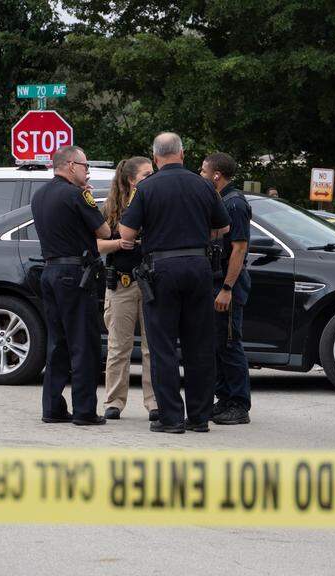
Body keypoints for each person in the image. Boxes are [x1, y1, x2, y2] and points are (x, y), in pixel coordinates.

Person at [120, 132, 230, 434]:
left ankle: (171, 418)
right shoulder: (204, 185)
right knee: (199, 345)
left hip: (161, 270)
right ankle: (198, 417)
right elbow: (224, 226)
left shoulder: (146, 188)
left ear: (155, 158)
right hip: (198, 267)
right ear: (182, 153)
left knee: (163, 346)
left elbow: (127, 234)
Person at [31, 145, 112, 426]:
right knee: (84, 344)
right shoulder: (78, 195)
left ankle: (52, 407)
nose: (86, 171)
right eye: (84, 166)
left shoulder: (39, 195)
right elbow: (104, 231)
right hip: (75, 275)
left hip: (51, 272)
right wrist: (89, 197)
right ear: (69, 165)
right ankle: (85, 411)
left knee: (58, 343)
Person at [98, 157, 159, 422]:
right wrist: (119, 244)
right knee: (118, 347)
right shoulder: (110, 208)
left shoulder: (155, 201)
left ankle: (154, 402)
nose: (152, 177)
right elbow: (97, 244)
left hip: (151, 282)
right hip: (121, 283)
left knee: (152, 347)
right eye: (146, 174)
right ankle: (113, 402)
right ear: (130, 179)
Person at [200, 152, 252, 425]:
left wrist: (227, 288)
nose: (201, 175)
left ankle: (239, 404)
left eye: (203, 171)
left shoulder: (234, 204)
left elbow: (239, 248)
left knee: (230, 345)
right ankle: (225, 398)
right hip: (217, 282)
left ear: (216, 175)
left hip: (227, 285)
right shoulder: (221, 201)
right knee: (218, 344)